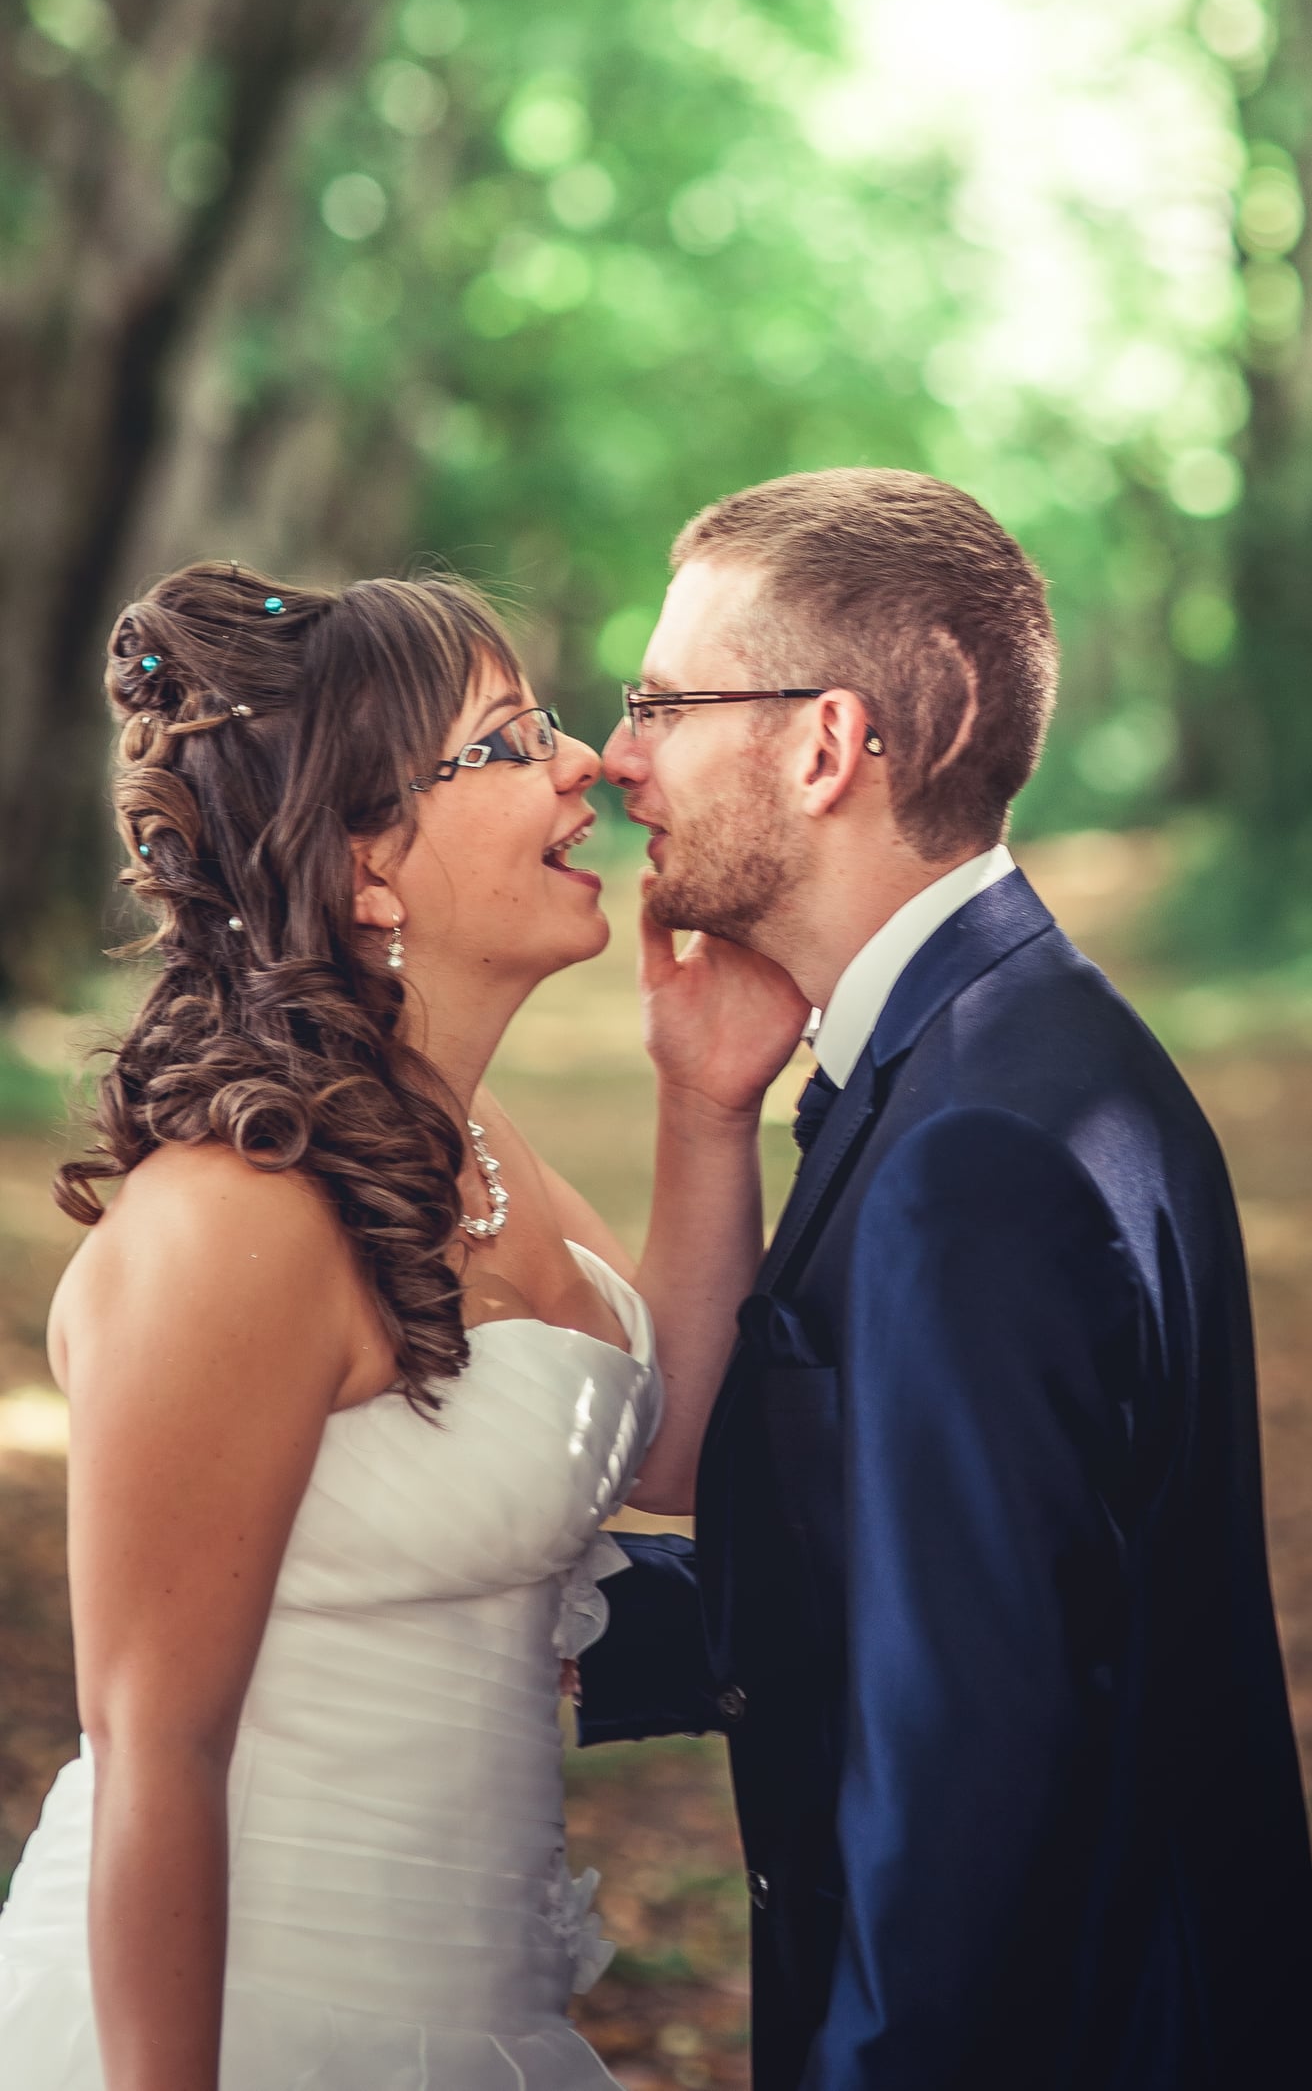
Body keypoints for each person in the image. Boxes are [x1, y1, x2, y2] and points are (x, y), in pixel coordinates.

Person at [580, 469, 1312, 2091]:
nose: (617, 756)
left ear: (826, 743)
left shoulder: (976, 1151)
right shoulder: (1018, 1050)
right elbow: (878, 1581)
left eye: (660, 699)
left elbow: (965, 1788)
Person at [0, 559, 806, 2090]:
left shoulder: (470, 1141)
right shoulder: (232, 1220)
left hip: (485, 2022)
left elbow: (683, 1452)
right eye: (507, 743)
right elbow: (152, 1749)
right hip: (265, 2026)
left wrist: (707, 1107)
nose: (585, 763)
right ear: (367, 862)